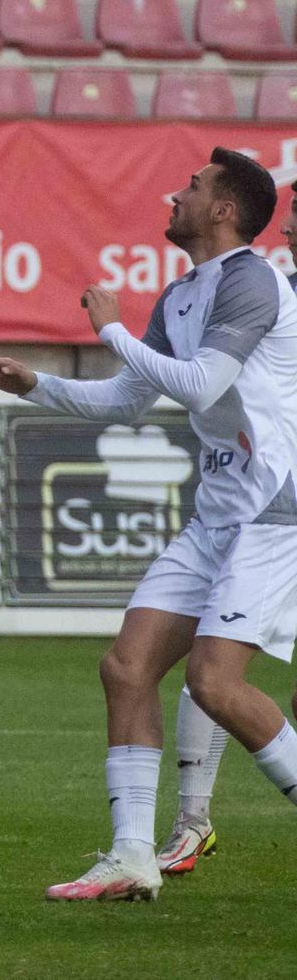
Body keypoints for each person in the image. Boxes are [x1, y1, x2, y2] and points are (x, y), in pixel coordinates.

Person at [0, 149, 297, 902]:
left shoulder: (253, 281)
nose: (171, 194)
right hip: (217, 514)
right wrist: (36, 383)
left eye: (190, 187)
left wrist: (115, 331)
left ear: (224, 211)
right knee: (126, 667)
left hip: (271, 515)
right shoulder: (183, 293)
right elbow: (126, 401)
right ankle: (130, 855)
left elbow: (202, 383)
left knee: (215, 681)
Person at [155, 197, 297, 878]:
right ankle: (191, 821)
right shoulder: (274, 295)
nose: (290, 226)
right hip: (276, 508)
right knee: (213, 669)